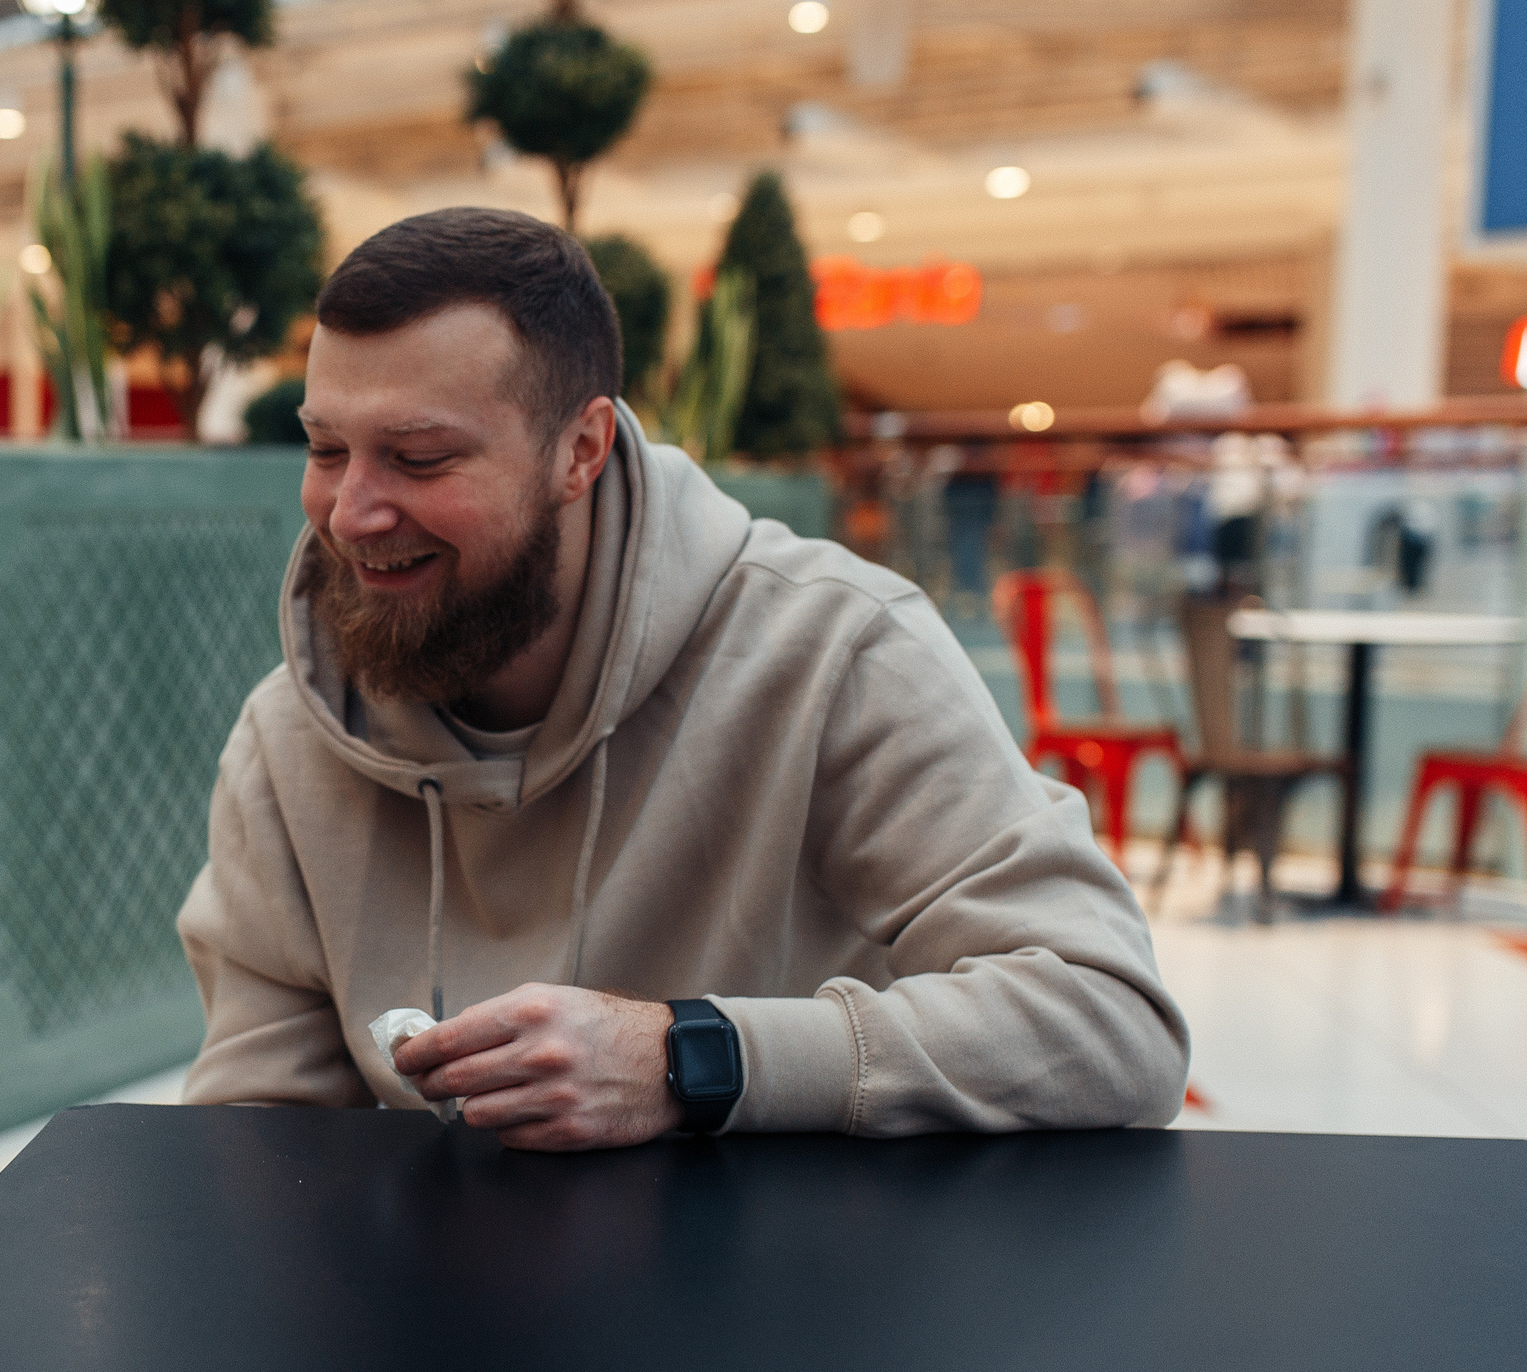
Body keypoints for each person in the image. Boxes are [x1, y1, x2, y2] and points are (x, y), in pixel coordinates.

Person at [177, 208, 1187, 1144]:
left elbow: (1109, 1024)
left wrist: (689, 1058)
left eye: (418, 456)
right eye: (326, 449)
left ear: (580, 450)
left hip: (800, 1270)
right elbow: (257, 1140)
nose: (351, 511)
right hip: (447, 1285)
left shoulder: (833, 650)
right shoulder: (290, 739)